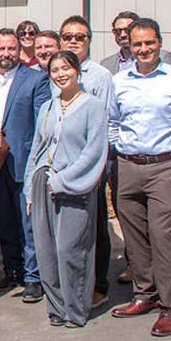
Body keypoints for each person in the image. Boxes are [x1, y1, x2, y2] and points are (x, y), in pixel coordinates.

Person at [108, 18, 171, 338]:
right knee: (134, 237)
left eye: (149, 43)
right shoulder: (120, 80)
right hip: (128, 166)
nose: (143, 49)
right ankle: (145, 295)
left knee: (163, 236)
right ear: (129, 46)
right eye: (137, 44)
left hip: (166, 167)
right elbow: (112, 122)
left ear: (160, 43)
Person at [24, 52, 109, 328]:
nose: (61, 74)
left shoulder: (92, 106)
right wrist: (29, 189)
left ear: (77, 71)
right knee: (47, 251)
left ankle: (76, 309)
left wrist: (62, 180)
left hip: (74, 187)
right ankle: (56, 307)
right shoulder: (47, 107)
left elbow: (93, 151)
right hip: (43, 185)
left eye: (66, 68)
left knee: (69, 250)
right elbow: (37, 149)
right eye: (55, 70)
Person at [0, 29, 51, 302]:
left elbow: (43, 124)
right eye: (1, 49)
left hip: (23, 160)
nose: (6, 54)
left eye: (11, 49)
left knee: (28, 223)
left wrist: (38, 162)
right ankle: (13, 270)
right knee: (4, 222)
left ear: (19, 50)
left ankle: (33, 277)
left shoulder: (37, 80)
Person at [58, 16, 116, 305]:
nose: (73, 41)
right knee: (68, 231)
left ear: (89, 40)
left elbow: (105, 124)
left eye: (79, 37)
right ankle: (70, 284)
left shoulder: (100, 76)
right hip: (59, 165)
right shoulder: (55, 71)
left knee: (94, 227)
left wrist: (97, 167)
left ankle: (98, 286)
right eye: (68, 36)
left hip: (89, 165)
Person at [102, 11, 171, 74]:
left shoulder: (163, 57)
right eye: (118, 31)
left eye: (127, 30)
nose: (122, 35)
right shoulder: (106, 64)